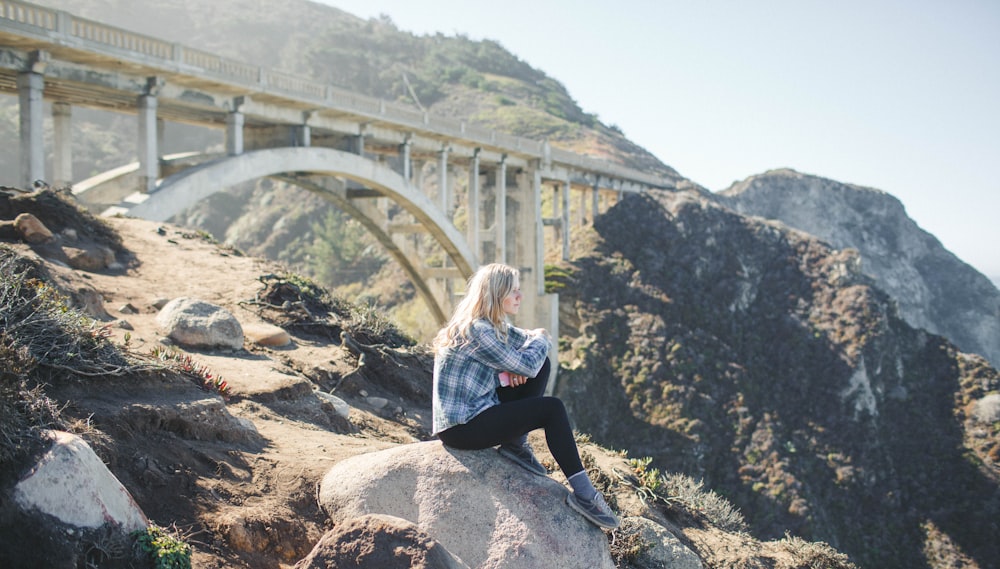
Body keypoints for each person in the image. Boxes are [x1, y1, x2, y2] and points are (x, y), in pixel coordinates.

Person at [431, 263, 619, 529]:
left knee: (542, 363)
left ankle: (515, 445)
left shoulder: (492, 325)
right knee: (552, 408)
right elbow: (531, 356)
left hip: (479, 409)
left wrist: (529, 350)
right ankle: (586, 496)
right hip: (462, 427)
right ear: (496, 295)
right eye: (514, 292)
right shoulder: (477, 331)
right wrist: (536, 343)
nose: (520, 297)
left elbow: (530, 349)